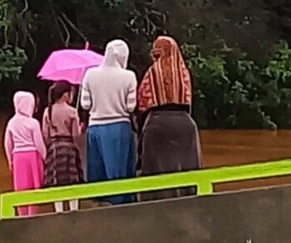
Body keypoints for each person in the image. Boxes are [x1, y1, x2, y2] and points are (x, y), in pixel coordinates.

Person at [136, 36, 202, 201]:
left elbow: (141, 103)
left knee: (156, 173)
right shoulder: (184, 74)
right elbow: (189, 103)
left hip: (156, 124)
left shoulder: (151, 74)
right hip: (185, 124)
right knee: (186, 171)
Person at [79, 39, 137, 204]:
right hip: (119, 128)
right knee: (118, 173)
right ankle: (120, 208)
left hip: (95, 128)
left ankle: (99, 206)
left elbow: (85, 104)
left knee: (97, 172)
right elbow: (131, 106)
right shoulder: (129, 77)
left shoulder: (90, 74)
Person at [42, 80, 83, 212]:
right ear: (66, 95)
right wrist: (80, 127)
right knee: (72, 180)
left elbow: (45, 134)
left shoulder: (47, 111)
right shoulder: (72, 112)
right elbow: (76, 135)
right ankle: (74, 209)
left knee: (56, 180)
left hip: (54, 148)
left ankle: (58, 210)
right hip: (69, 147)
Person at [3, 90, 47, 216]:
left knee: (20, 188)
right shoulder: (33, 123)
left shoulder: (11, 123)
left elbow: (7, 143)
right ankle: (32, 215)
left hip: (18, 157)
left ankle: (21, 215)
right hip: (32, 156)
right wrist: (45, 158)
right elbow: (39, 144)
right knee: (34, 188)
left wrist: (10, 160)